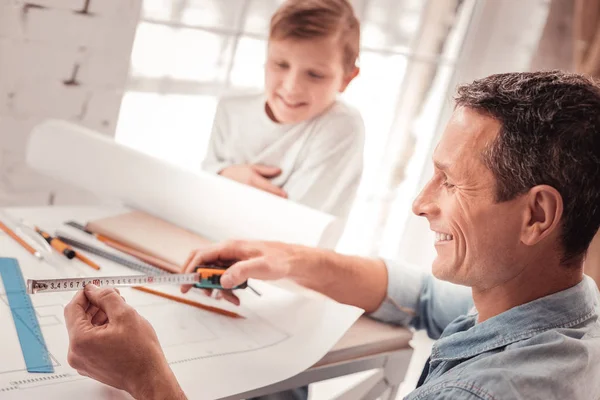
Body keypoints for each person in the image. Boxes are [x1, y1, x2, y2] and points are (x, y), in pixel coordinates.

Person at [65, 71, 600, 399]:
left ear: (536, 216)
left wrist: (146, 377)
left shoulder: (482, 393)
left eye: (452, 182)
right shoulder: (568, 306)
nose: (420, 202)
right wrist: (291, 259)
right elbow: (419, 295)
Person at [202, 0, 364, 220]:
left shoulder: (341, 126)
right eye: (281, 65)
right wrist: (224, 174)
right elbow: (205, 177)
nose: (292, 87)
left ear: (346, 79)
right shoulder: (231, 109)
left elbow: (294, 221)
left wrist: (225, 184)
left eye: (315, 75)